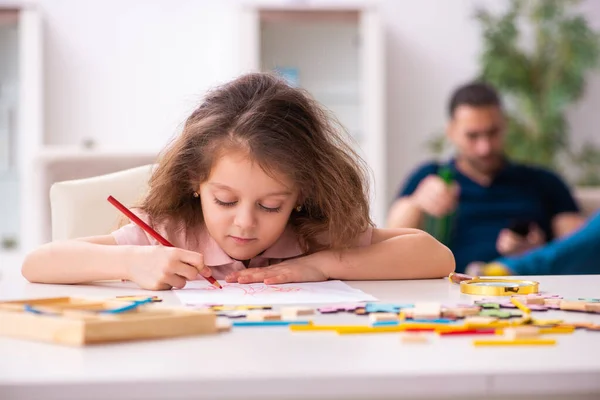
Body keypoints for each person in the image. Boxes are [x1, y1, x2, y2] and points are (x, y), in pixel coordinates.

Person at [22, 73, 454, 290]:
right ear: (195, 180)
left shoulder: (310, 236)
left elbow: (435, 256)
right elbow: (38, 262)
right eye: (225, 200)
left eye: (270, 206)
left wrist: (320, 266)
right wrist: (132, 263)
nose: (245, 224)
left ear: (300, 196)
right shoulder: (173, 232)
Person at [387, 81, 585, 274]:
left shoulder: (544, 181)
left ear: (505, 126)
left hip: (526, 286)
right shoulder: (430, 176)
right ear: (452, 132)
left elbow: (579, 251)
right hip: (454, 289)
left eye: (493, 133)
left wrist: (539, 253)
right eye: (473, 136)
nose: (485, 148)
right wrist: (417, 202)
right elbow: (390, 246)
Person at [466, 210, 600, 276]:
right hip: (466, 274)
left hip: (545, 267)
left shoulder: (543, 181)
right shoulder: (449, 184)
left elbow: (575, 237)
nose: (484, 153)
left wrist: (537, 250)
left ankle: (514, 267)